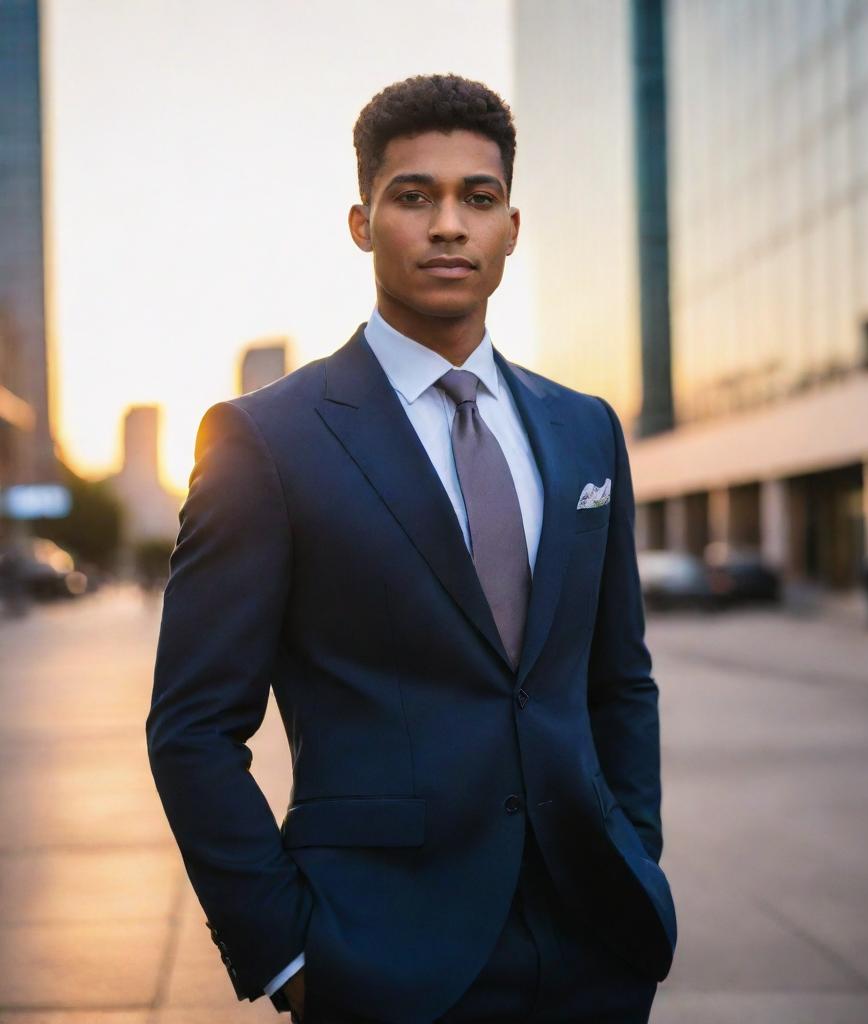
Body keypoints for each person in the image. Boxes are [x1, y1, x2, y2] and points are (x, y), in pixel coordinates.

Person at [146, 74, 675, 1024]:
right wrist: (284, 953)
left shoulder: (586, 429)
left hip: (595, 947)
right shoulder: (266, 441)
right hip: (380, 959)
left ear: (513, 226)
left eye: (477, 198)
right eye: (413, 196)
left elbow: (617, 679)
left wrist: (637, 853)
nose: (448, 225)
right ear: (362, 222)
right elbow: (191, 731)